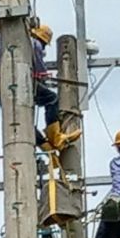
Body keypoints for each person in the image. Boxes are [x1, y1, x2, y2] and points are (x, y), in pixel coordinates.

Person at [31, 24, 82, 152]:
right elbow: (39, 66)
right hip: (24, 81)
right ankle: (55, 137)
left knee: (25, 123)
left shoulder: (24, 44)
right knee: (52, 99)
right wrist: (43, 75)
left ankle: (48, 149)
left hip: (7, 87)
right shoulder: (35, 44)